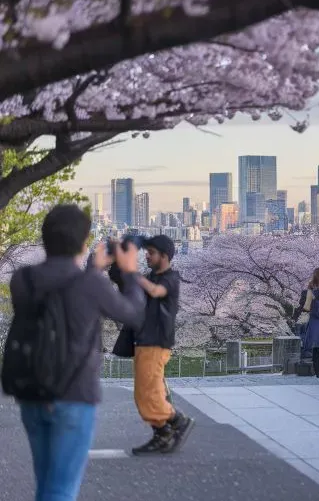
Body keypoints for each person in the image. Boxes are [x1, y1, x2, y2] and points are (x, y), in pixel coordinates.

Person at [4, 205, 145, 501]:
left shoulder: (23, 280)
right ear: (84, 241)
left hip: (31, 392)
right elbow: (134, 314)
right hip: (73, 394)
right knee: (61, 490)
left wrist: (91, 269)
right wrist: (129, 273)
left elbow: (61, 298)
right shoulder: (89, 284)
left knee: (46, 482)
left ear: (44, 238)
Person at [110, 234, 194, 456]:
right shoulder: (151, 277)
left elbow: (156, 292)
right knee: (143, 393)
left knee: (150, 392)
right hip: (144, 340)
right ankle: (162, 433)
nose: (146, 255)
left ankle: (177, 420)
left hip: (156, 341)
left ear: (164, 256)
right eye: (146, 251)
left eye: (151, 253)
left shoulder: (170, 279)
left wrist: (132, 273)